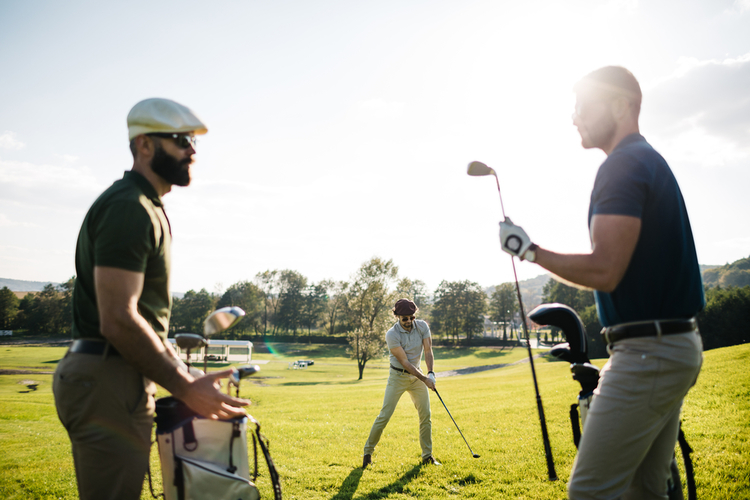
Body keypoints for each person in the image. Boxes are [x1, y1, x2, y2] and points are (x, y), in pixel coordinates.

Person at [499, 66, 704, 499]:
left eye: (582, 106)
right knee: (646, 489)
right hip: (671, 347)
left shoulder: (624, 165)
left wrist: (528, 250)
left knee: (589, 491)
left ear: (620, 105)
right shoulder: (645, 160)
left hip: (649, 354)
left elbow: (605, 270)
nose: (574, 116)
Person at [53, 98, 249, 500]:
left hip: (119, 375)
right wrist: (184, 385)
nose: (192, 151)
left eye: (193, 141)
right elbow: (119, 319)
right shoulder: (129, 207)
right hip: (108, 376)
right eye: (180, 140)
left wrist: (185, 373)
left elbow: (142, 317)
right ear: (144, 145)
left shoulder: (146, 205)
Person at [362, 298, 440, 468]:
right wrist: (425, 380)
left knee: (425, 415)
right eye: (404, 318)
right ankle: (367, 452)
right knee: (385, 415)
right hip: (398, 377)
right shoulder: (392, 334)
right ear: (396, 316)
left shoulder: (422, 327)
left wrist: (431, 373)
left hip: (417, 376)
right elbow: (405, 362)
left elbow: (428, 350)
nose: (409, 321)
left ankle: (427, 456)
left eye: (412, 317)